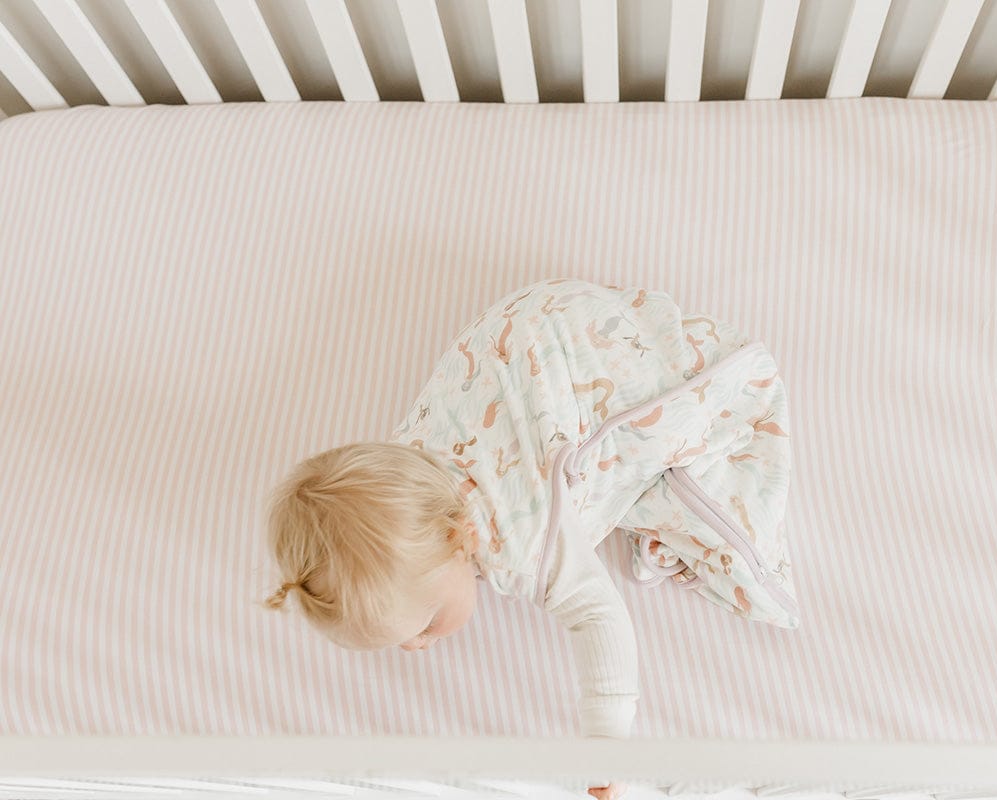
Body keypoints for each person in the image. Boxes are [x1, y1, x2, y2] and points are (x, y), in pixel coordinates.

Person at [263, 279, 800, 800]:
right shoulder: (405, 464)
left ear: (460, 537)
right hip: (538, 320)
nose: (416, 645)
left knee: (694, 498)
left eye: (425, 624)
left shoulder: (522, 538)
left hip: (602, 360)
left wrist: (607, 738)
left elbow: (599, 617)